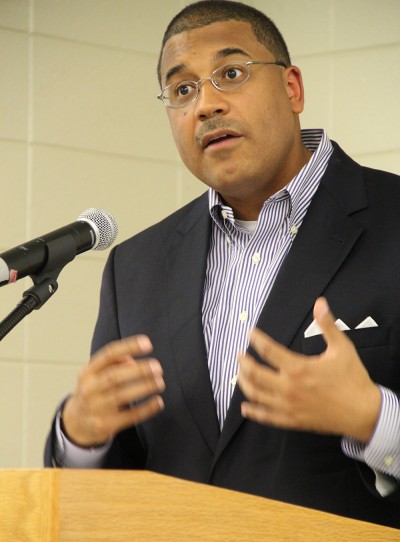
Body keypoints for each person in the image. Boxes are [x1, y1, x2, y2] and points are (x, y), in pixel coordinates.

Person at [45, 0, 400, 528]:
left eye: (230, 74)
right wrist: (80, 437)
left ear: (292, 87)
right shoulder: (134, 267)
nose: (205, 105)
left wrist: (376, 420)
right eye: (182, 89)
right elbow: (114, 488)